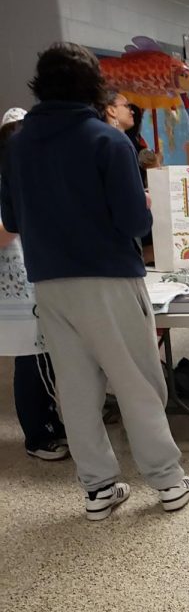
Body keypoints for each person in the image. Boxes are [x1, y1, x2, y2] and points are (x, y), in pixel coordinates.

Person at [0, 43, 189, 518]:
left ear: (39, 87)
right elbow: (133, 222)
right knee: (135, 379)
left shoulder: (18, 144)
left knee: (76, 386)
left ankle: (98, 491)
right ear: (94, 87)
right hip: (108, 276)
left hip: (48, 281)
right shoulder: (107, 141)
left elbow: (12, 217)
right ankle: (167, 483)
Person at [0, 107, 68, 461]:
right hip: (15, 287)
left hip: (39, 276)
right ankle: (37, 435)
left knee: (45, 358)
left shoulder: (29, 175)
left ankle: (51, 423)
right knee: (31, 361)